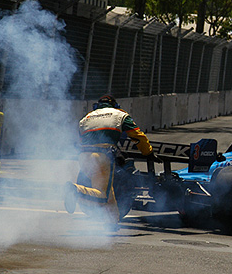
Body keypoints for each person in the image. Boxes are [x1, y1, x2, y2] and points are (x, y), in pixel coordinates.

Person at [64, 95, 161, 230]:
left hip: (83, 157)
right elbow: (138, 136)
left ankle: (111, 223)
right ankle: (75, 190)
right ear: (115, 105)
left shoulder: (86, 118)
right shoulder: (120, 115)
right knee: (101, 194)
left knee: (109, 192)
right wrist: (148, 153)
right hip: (102, 155)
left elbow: (79, 141)